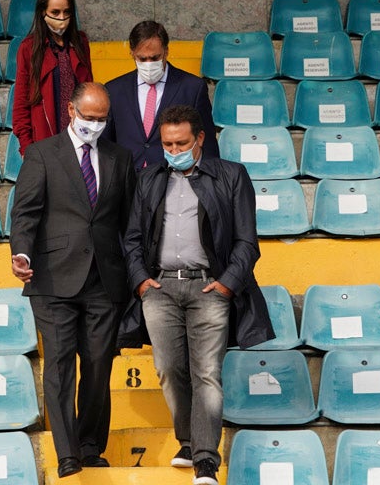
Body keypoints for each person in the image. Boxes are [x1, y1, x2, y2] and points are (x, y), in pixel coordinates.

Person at [120, 104, 274, 485]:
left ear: (200, 139)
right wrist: (141, 280)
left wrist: (226, 285)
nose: (173, 150)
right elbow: (132, 239)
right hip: (159, 288)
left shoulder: (231, 176)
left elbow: (246, 241)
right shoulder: (149, 178)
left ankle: (206, 460)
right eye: (167, 144)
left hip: (209, 287)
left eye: (181, 142)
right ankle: (189, 441)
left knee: (207, 372)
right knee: (169, 370)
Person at [10, 82, 136, 478]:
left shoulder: (121, 157)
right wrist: (21, 253)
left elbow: (129, 221)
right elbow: (25, 212)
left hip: (105, 278)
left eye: (101, 120)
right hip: (51, 277)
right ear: (70, 110)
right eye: (89, 117)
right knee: (60, 364)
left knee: (98, 364)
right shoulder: (42, 153)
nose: (94, 126)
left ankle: (89, 444)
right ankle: (67, 452)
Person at [103, 20, 217, 170]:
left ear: (166, 51)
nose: (149, 64)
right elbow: (106, 144)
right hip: (128, 180)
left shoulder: (192, 87)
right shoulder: (114, 89)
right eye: (142, 59)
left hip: (173, 178)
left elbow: (207, 143)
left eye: (155, 58)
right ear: (132, 53)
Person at [12, 0, 92, 155]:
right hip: (45, 143)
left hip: (79, 140)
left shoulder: (81, 42)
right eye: (55, 12)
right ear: (43, 12)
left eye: (67, 12)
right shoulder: (29, 48)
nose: (62, 18)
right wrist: (27, 149)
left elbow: (89, 90)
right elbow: (20, 105)